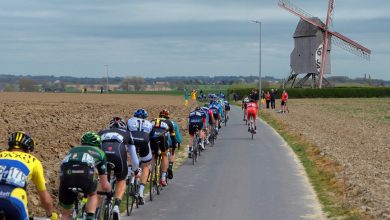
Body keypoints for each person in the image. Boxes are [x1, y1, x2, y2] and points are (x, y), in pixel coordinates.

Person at [0, 132, 56, 220]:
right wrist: (50, 215)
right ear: (28, 149)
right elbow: (45, 199)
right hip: (14, 199)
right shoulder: (34, 161)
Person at [59, 132, 111, 220]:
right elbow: (104, 183)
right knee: (92, 194)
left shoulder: (72, 150)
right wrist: (109, 192)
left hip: (66, 176)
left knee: (65, 215)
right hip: (85, 174)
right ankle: (90, 216)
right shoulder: (100, 152)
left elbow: (61, 171)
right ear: (98, 144)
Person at [99, 117, 139, 218]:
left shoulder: (102, 132)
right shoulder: (127, 133)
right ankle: (116, 206)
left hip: (103, 155)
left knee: (102, 179)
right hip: (118, 155)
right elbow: (134, 158)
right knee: (121, 179)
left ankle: (96, 211)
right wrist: (135, 170)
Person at [127, 110, 153, 205]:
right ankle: (141, 192)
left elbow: (126, 133)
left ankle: (131, 179)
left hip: (132, 142)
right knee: (146, 165)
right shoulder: (149, 123)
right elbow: (151, 137)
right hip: (144, 143)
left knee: (132, 158)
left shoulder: (129, 120)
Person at [150, 110, 177, 187]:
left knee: (153, 154)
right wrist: (173, 148)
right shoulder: (169, 122)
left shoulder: (153, 120)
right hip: (162, 137)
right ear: (168, 117)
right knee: (164, 155)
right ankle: (163, 178)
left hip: (152, 138)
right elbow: (173, 137)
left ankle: (150, 172)